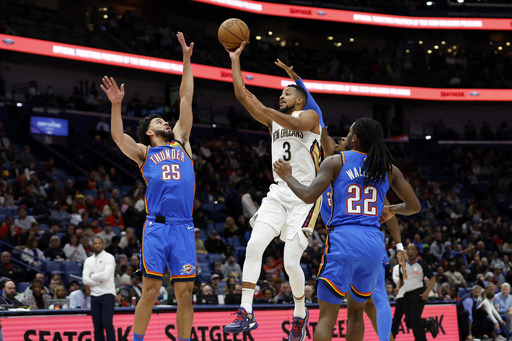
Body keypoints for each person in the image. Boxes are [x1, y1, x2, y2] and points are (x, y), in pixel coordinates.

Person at [276, 60, 406, 341]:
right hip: (371, 238)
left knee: (337, 311)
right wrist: (298, 80)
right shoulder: (374, 165)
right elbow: (320, 120)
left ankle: (387, 338)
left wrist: (300, 84)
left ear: (352, 141)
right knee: (362, 306)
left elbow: (318, 115)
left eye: (343, 137)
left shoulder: (335, 161)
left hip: (345, 236)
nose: (337, 139)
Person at [223, 42, 322, 341]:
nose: (281, 96)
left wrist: (262, 108)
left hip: (306, 197)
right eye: (280, 93)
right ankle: (246, 312)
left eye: (287, 93)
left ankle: (300, 315)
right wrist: (234, 60)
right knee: (254, 245)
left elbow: (292, 122)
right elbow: (242, 95)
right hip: (279, 192)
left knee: (291, 262)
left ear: (301, 98)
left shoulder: (310, 118)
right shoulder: (273, 120)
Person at [101, 32, 195, 341]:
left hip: (183, 227)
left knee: (185, 293)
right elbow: (118, 138)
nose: (166, 123)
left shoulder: (183, 142)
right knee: (151, 290)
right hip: (156, 227)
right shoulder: (144, 152)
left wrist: (185, 61)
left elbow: (185, 98)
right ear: (149, 132)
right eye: (159, 122)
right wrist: (116, 105)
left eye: (165, 121)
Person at [397, 244, 438, 341]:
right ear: (406, 252)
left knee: (414, 320)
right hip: (407, 294)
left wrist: (427, 292)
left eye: (412, 250)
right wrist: (398, 287)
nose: (410, 252)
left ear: (416, 252)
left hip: (419, 293)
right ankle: (428, 324)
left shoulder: (422, 264)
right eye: (408, 250)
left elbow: (432, 279)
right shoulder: (402, 265)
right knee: (408, 322)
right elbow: (401, 279)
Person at [82, 236, 116, 341]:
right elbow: (84, 280)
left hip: (108, 294)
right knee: (97, 327)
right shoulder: (88, 260)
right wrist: (98, 279)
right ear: (92, 245)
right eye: (95, 243)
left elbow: (105, 276)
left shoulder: (109, 257)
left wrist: (92, 276)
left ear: (103, 244)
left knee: (107, 324)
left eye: (99, 243)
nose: (97, 245)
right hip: (94, 296)